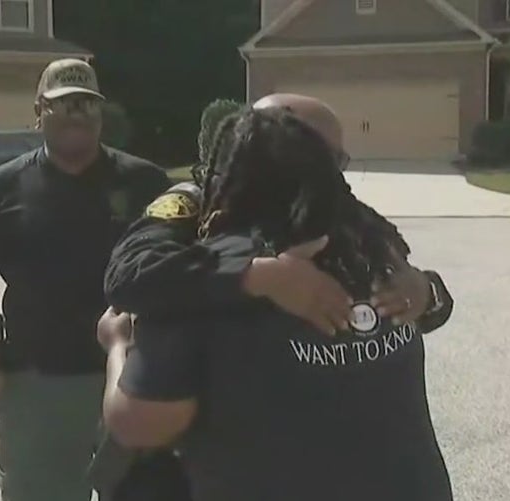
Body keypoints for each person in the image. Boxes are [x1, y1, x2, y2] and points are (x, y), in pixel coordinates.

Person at [102, 107, 462, 501]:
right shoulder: (371, 250)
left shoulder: (199, 281)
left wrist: (118, 346)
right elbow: (133, 265)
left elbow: (140, 424)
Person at [0, 58, 170, 501]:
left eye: (87, 103)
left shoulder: (145, 183)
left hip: (136, 383)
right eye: (63, 104)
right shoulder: (2, 189)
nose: (77, 113)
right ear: (39, 111)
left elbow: (184, 272)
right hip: (38, 391)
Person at [104, 93, 453, 335]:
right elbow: (128, 276)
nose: (330, 173)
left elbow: (414, 290)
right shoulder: (196, 204)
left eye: (337, 161)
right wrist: (256, 276)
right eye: (316, 155)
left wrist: (425, 291)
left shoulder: (341, 214)